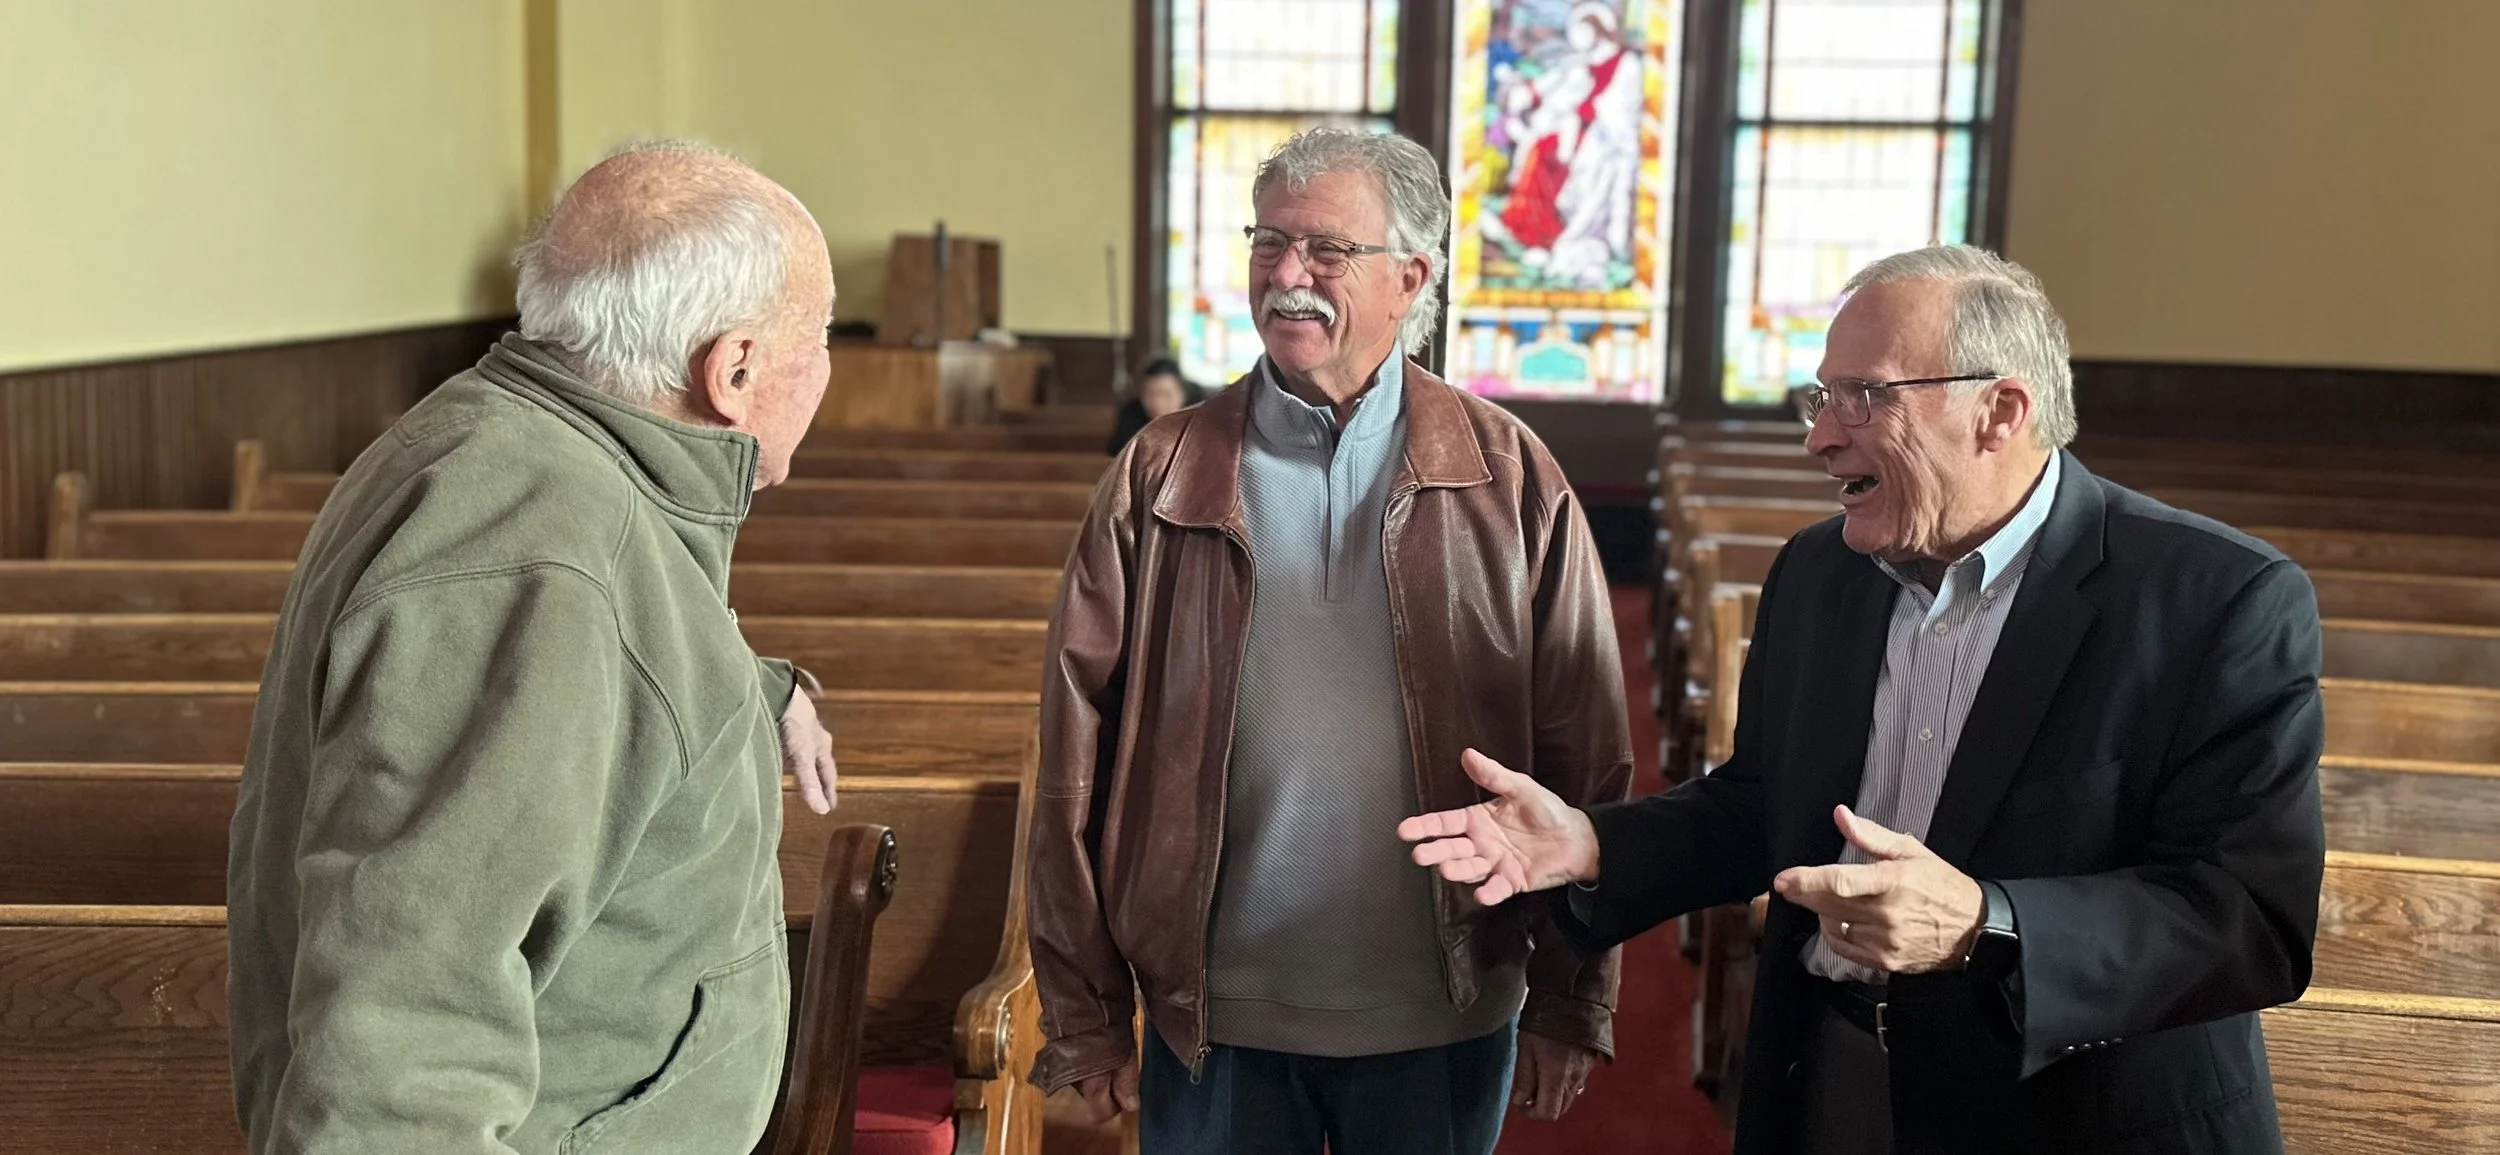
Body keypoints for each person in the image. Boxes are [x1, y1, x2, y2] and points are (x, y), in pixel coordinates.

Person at [1402, 245, 2326, 1154]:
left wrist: (1983, 921)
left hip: (2066, 1110)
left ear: (1999, 411)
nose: (1821, 434)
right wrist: (1593, 841)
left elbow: (2248, 917)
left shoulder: (2216, 600)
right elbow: (1763, 806)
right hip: (1830, 1073)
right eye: (1821, 396)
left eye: (1866, 396)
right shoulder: (1820, 571)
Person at [227, 141, 843, 1155]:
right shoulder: (540, 555)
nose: (824, 367)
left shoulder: (512, 451)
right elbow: (402, 1047)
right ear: (732, 369)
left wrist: (758, 692)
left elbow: (588, 678)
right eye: (817, 337)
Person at [1027, 126, 1631, 1155]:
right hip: (1214, 1014)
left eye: (1325, 251)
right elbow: (1071, 764)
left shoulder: (1509, 476)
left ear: (1410, 277)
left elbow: (1587, 760)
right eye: (1268, 243)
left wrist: (1573, 996)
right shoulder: (1162, 471)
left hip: (1440, 1005)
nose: (1287, 275)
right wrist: (1085, 1013)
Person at [1105, 357, 1204, 455]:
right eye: (1150, 394)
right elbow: (1117, 454)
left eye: (1166, 394)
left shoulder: (1199, 417)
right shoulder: (1131, 415)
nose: (1157, 403)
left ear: (1183, 395)